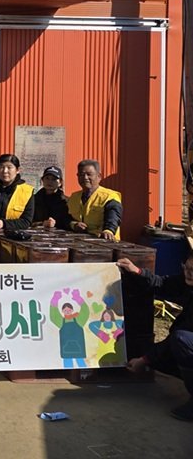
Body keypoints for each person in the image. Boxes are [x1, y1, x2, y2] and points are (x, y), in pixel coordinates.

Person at [118, 253, 193, 420]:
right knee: (156, 352)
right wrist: (136, 271)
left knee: (181, 341)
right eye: (186, 268)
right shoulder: (186, 282)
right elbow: (163, 283)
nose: (188, 273)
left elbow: (179, 335)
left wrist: (144, 359)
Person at [67, 159, 122, 240]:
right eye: (81, 175)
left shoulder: (109, 196)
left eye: (89, 174)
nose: (85, 178)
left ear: (99, 176)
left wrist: (109, 230)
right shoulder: (74, 197)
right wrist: (74, 224)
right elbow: (66, 217)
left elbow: (114, 217)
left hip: (104, 241)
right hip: (80, 240)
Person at [0, 154, 34, 234]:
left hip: (9, 236)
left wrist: (3, 223)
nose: (5, 171)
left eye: (9, 167)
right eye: (1, 167)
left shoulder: (27, 191)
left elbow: (26, 221)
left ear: (17, 170)